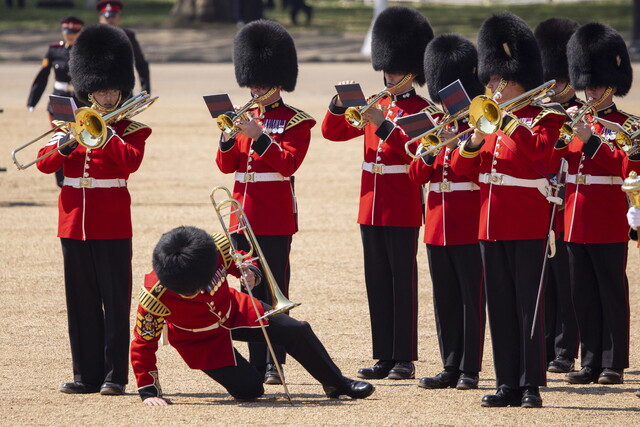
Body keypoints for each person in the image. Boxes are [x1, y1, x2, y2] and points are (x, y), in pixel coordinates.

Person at [450, 12, 565, 408]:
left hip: (528, 218)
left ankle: (531, 383)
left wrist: (509, 122)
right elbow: (460, 168)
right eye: (491, 80)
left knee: (527, 305)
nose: (492, 87)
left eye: (498, 80)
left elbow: (538, 157)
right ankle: (506, 383)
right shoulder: (488, 121)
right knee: (498, 304)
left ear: (517, 78)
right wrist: (476, 138)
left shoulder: (548, 115)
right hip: (490, 220)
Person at [130, 226, 375, 405]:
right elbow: (143, 344)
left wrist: (250, 273)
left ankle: (337, 383)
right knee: (250, 390)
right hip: (200, 341)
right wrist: (149, 391)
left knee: (296, 330)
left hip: (234, 310)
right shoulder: (154, 294)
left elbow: (242, 261)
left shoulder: (211, 250)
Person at [35, 24, 152, 395]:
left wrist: (106, 133)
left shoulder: (131, 129)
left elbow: (129, 163)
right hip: (73, 222)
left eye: (112, 89)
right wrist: (68, 144)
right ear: (88, 88)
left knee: (115, 302)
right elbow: (43, 163)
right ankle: (85, 374)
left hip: (112, 221)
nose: (106, 95)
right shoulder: (70, 122)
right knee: (81, 302)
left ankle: (114, 376)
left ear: (121, 89)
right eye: (100, 90)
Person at [322, 6, 438, 381]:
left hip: (401, 202)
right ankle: (383, 354)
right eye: (385, 68)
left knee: (401, 280)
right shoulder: (377, 102)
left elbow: (416, 150)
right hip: (369, 205)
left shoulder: (423, 110)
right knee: (376, 280)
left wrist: (384, 125)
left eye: (394, 69)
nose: (388, 75)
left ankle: (404, 357)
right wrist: (338, 106)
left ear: (412, 71)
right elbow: (333, 133)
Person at [215, 20, 315, 385]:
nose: (254, 88)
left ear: (278, 81)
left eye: (260, 82)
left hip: (272, 218)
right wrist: (228, 139)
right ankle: (258, 362)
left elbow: (288, 163)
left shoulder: (296, 121)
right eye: (251, 81)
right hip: (242, 215)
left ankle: (276, 362)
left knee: (273, 293)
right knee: (248, 290)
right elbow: (227, 166)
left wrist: (258, 138)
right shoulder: (244, 118)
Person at [554, 22, 637, 386]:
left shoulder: (628, 126)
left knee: (610, 292)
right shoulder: (575, 122)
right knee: (582, 294)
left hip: (607, 219)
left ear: (612, 86)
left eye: (596, 85)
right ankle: (589, 362)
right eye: (586, 84)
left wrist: (589, 141)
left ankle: (613, 362)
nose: (589, 91)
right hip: (574, 218)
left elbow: (626, 168)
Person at [408, 33, 486, 391]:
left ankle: (470, 367)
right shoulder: (435, 121)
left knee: (472, 296)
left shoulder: (480, 122)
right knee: (445, 298)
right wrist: (431, 149)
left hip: (468, 217)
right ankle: (450, 364)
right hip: (437, 221)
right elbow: (416, 175)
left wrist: (457, 146)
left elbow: (474, 170)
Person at [533, 17, 581, 375]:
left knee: (566, 280)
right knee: (543, 279)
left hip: (569, 205)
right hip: (539, 201)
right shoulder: (543, 112)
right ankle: (547, 344)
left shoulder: (581, 113)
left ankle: (566, 348)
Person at [27, 16, 84, 188]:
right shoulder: (54, 51)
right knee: (60, 138)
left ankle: (77, 175)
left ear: (80, 32)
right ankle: (61, 179)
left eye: (74, 32)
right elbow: (42, 77)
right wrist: (33, 100)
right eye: (67, 32)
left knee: (81, 139)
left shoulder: (86, 51)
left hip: (81, 102)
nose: (70, 35)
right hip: (59, 101)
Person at [96, 0, 151, 94]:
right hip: (99, 92)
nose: (110, 20)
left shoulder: (128, 37)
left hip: (123, 92)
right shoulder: (92, 38)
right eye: (106, 17)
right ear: (101, 19)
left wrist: (145, 90)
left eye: (113, 16)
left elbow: (141, 64)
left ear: (119, 18)